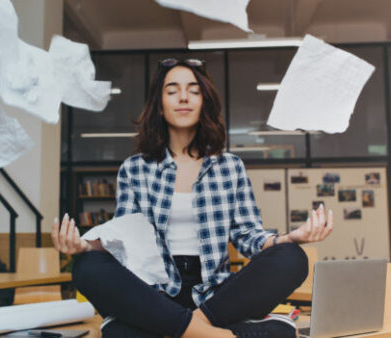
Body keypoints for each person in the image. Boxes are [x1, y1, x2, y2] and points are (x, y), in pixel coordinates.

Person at [51, 58, 334, 338]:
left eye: (193, 90)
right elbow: (126, 242)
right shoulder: (135, 168)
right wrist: (83, 248)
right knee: (87, 268)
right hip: (155, 292)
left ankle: (182, 328)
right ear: (159, 106)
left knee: (292, 258)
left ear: (204, 102)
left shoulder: (229, 166)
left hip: (216, 298)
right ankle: (223, 336)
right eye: (172, 90)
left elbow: (248, 236)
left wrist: (289, 238)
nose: (183, 97)